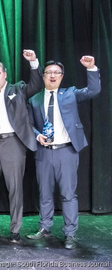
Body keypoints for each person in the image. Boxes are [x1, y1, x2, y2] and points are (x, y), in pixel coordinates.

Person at [26, 56, 100, 249]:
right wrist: (37, 135)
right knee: (45, 193)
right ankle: (44, 228)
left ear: (62, 76)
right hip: (44, 152)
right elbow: (30, 124)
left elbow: (93, 90)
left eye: (56, 73)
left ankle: (70, 234)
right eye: (49, 72)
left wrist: (91, 68)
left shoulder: (70, 94)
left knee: (68, 194)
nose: (52, 75)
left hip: (66, 151)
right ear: (43, 76)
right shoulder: (34, 99)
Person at [0, 50, 43, 243]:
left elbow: (36, 85)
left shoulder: (18, 89)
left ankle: (15, 229)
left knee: (14, 187)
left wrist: (33, 63)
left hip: (13, 142)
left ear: (5, 74)